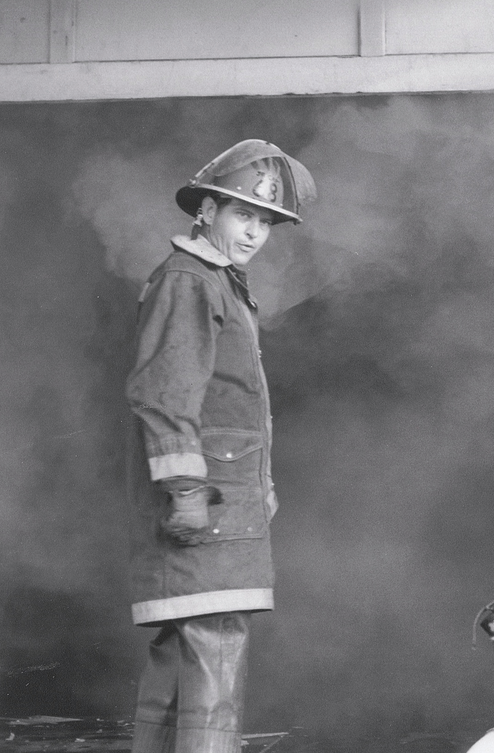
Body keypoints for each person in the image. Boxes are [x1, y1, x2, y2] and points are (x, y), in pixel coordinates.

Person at [125, 139, 316, 753]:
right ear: (207, 210)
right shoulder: (191, 280)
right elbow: (163, 390)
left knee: (182, 656)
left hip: (225, 500)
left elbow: (232, 406)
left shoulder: (216, 282)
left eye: (265, 222)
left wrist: (260, 487)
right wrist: (184, 487)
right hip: (206, 504)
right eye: (243, 214)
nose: (255, 232)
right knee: (213, 651)